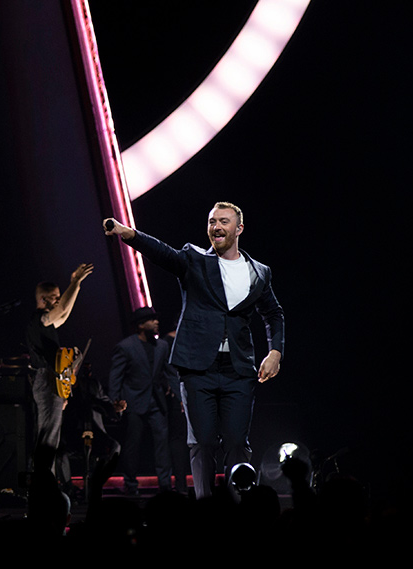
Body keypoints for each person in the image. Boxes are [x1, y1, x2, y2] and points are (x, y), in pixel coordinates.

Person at [103, 203, 284, 498]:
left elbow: (274, 313)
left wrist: (275, 351)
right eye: (212, 221)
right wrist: (128, 233)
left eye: (223, 221)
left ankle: (238, 506)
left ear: (239, 228)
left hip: (239, 369)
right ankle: (205, 507)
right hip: (198, 368)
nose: (216, 227)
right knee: (202, 441)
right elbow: (163, 252)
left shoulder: (259, 272)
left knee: (237, 441)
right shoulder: (194, 259)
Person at [25, 264, 93, 477]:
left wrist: (77, 287)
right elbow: (61, 310)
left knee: (50, 436)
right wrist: (74, 282)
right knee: (48, 437)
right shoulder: (39, 320)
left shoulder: (47, 323)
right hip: (46, 380)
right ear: (43, 300)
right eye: (54, 297)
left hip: (51, 382)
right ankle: (43, 486)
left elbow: (63, 314)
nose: (58, 299)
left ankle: (44, 484)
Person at [108, 306, 176, 494]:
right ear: (140, 325)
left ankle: (165, 485)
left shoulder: (162, 346)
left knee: (162, 444)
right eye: (151, 320)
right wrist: (115, 401)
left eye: (156, 319)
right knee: (132, 445)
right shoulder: (126, 347)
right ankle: (130, 484)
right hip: (134, 401)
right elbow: (116, 377)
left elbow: (170, 373)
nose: (156, 322)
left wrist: (180, 396)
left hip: (157, 402)